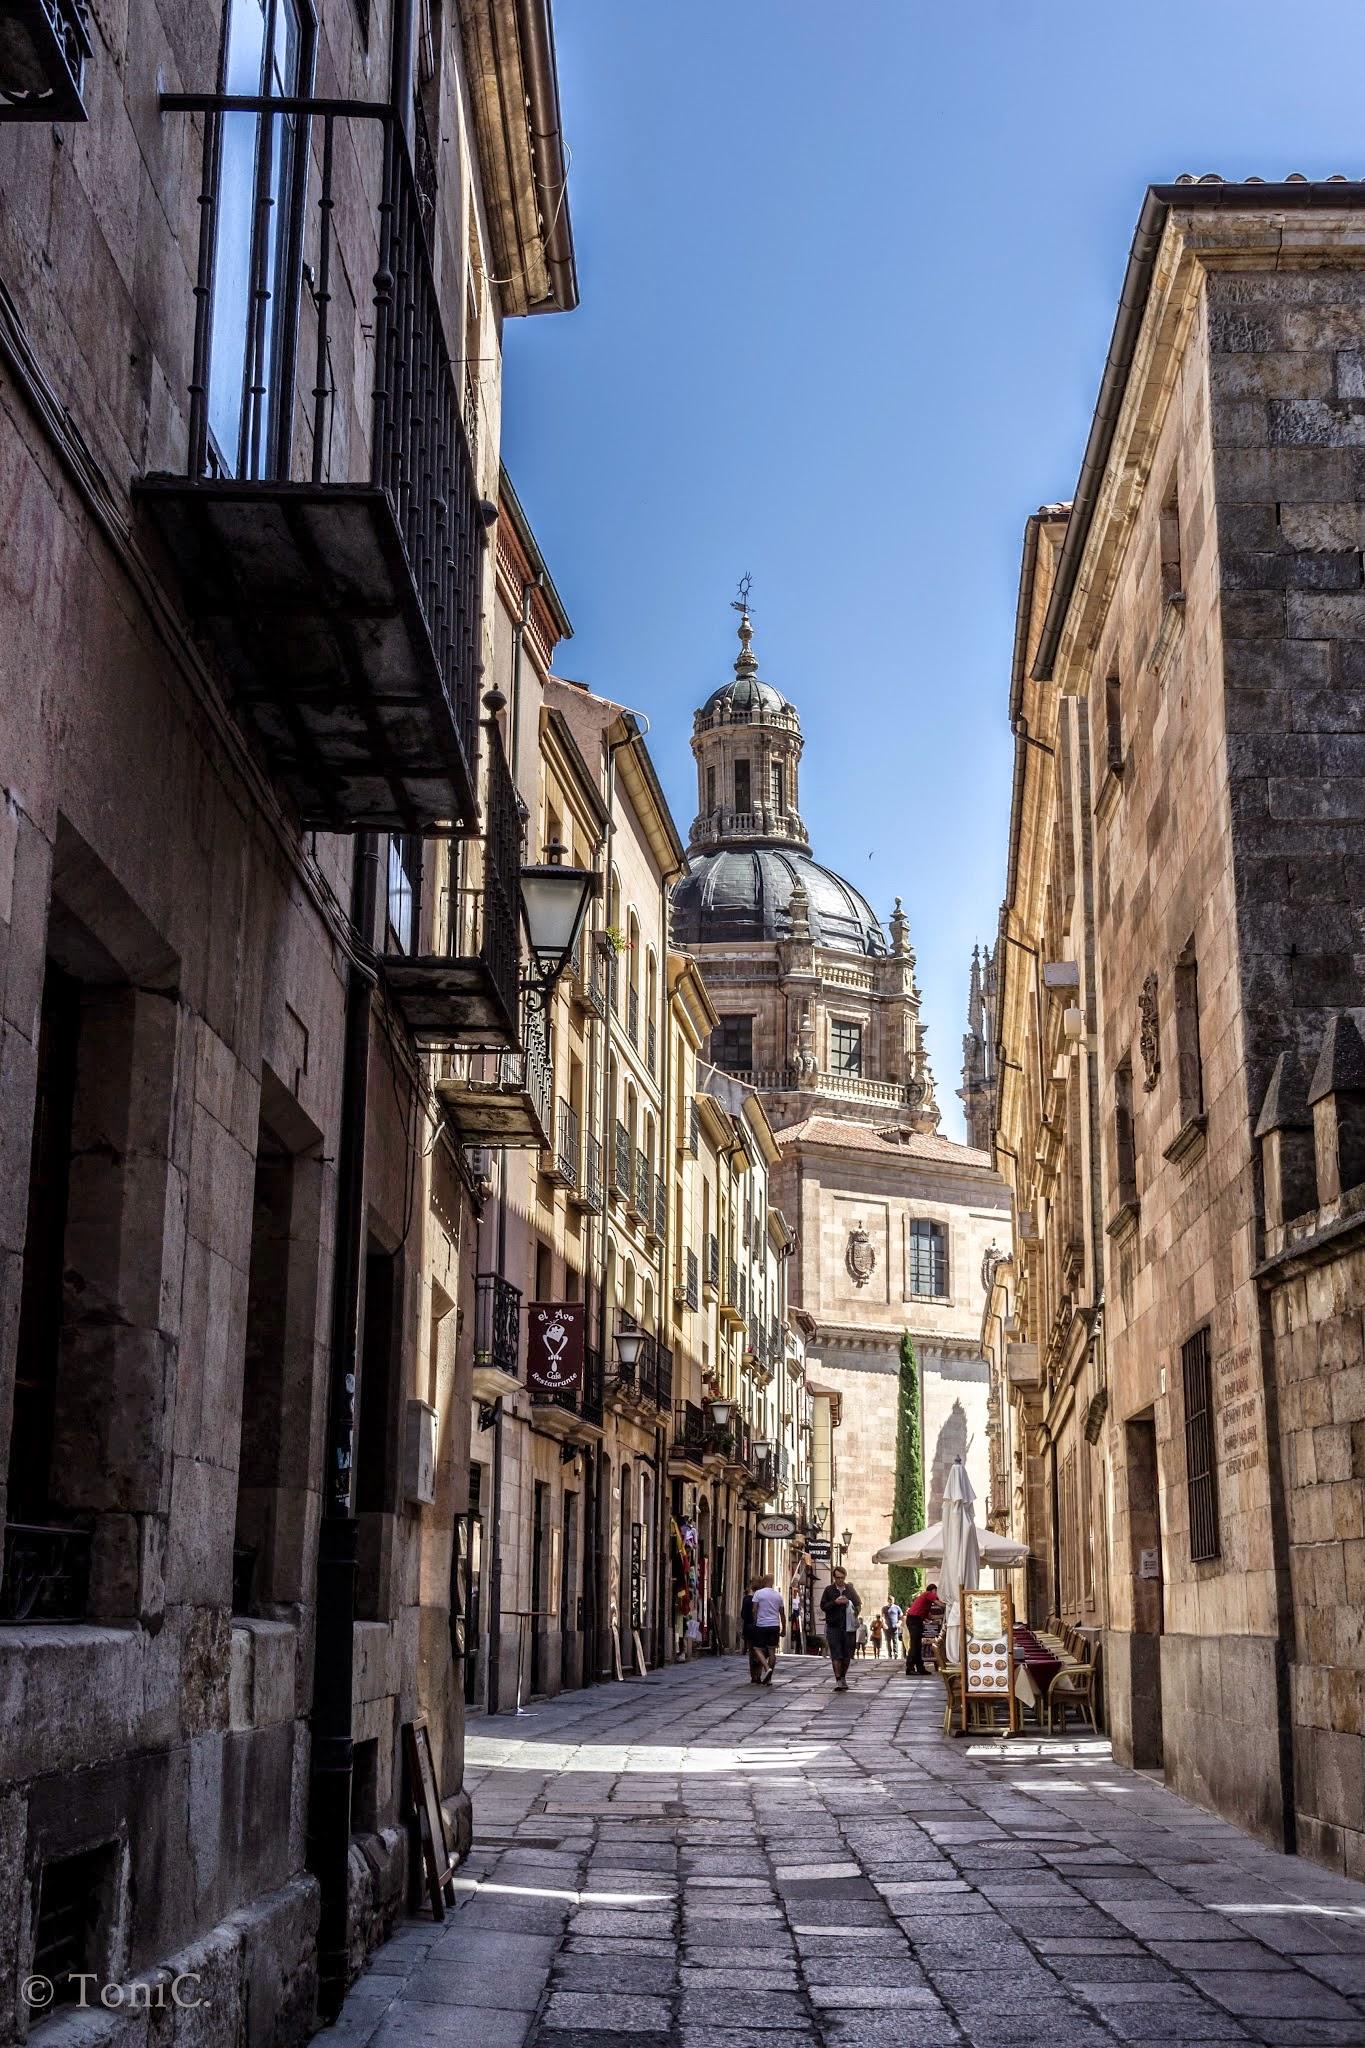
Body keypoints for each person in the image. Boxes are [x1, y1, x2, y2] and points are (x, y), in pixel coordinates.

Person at [820, 1568, 861, 1690]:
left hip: (848, 1628)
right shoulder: (829, 1590)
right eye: (837, 1577)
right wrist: (835, 1602)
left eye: (842, 1577)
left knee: (847, 1655)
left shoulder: (850, 1590)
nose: (840, 1580)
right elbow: (823, 1606)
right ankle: (838, 1680)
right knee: (836, 1654)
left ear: (845, 1577)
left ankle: (843, 1677)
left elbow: (858, 1605)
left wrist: (849, 1603)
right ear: (834, 1577)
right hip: (833, 1627)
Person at [749, 1573, 785, 1685]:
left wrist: (755, 1623)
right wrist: (783, 1628)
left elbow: (754, 1610)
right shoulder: (778, 1595)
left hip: (761, 1625)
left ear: (764, 1582)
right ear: (772, 1582)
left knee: (757, 1649)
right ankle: (769, 1678)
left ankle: (766, 1667)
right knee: (772, 1652)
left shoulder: (758, 1594)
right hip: (774, 1625)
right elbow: (782, 1614)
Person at [906, 1581, 940, 1676]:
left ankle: (920, 1668)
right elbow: (939, 1603)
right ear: (933, 1590)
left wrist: (943, 1616)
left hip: (915, 1620)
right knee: (914, 1645)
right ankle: (910, 1668)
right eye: (936, 1592)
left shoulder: (926, 1602)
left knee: (917, 1646)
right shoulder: (928, 1594)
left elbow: (931, 1617)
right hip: (914, 1620)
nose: (936, 1594)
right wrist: (949, 1605)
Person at [739, 1578, 762, 1683]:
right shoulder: (762, 1598)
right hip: (760, 1627)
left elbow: (743, 1615)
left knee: (751, 1652)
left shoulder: (746, 1599)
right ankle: (759, 1674)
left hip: (749, 1628)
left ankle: (753, 1676)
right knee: (760, 1651)